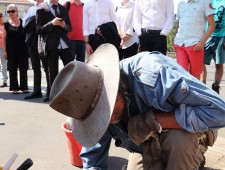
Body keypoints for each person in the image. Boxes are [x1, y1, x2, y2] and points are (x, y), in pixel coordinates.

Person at [49, 44, 225, 170]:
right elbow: (93, 159)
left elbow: (219, 112)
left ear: (113, 85)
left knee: (178, 143)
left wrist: (154, 121)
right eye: (95, 118)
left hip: (189, 133)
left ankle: (193, 159)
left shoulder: (154, 74)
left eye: (105, 109)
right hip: (144, 145)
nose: (106, 120)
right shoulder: (86, 102)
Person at [36, 0, 73, 102]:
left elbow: (70, 27)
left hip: (65, 45)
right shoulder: (41, 10)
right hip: (51, 45)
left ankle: (70, 93)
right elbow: (38, 30)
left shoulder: (64, 9)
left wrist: (65, 26)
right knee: (52, 72)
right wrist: (51, 23)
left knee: (71, 69)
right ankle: (52, 94)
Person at [174, 0, 216, 80]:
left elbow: (212, 25)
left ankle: (194, 92)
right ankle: (183, 92)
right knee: (181, 73)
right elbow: (179, 23)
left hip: (195, 45)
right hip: (180, 43)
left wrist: (202, 42)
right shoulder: (181, 3)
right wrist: (174, 39)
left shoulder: (205, 2)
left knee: (195, 76)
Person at [22, 0, 50, 100]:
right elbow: (24, 24)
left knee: (47, 68)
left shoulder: (47, 7)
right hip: (32, 41)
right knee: (36, 68)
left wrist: (33, 20)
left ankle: (49, 92)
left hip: (44, 40)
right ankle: (37, 91)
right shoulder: (31, 9)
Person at [2, 4, 29, 94]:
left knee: (23, 69)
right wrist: (4, 51)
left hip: (23, 50)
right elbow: (4, 39)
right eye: (8, 11)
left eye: (12, 11)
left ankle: (24, 87)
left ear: (17, 12)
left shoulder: (23, 22)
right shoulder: (5, 24)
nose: (10, 13)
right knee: (12, 69)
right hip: (11, 51)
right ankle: (14, 87)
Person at [201, 0, 225, 94]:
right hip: (208, 36)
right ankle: (202, 86)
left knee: (219, 64)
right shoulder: (208, 1)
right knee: (200, 62)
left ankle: (216, 86)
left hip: (221, 37)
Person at [0, 12, 8, 88]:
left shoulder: (6, 25)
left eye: (0, 17)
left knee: (3, 65)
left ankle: (4, 81)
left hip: (3, 47)